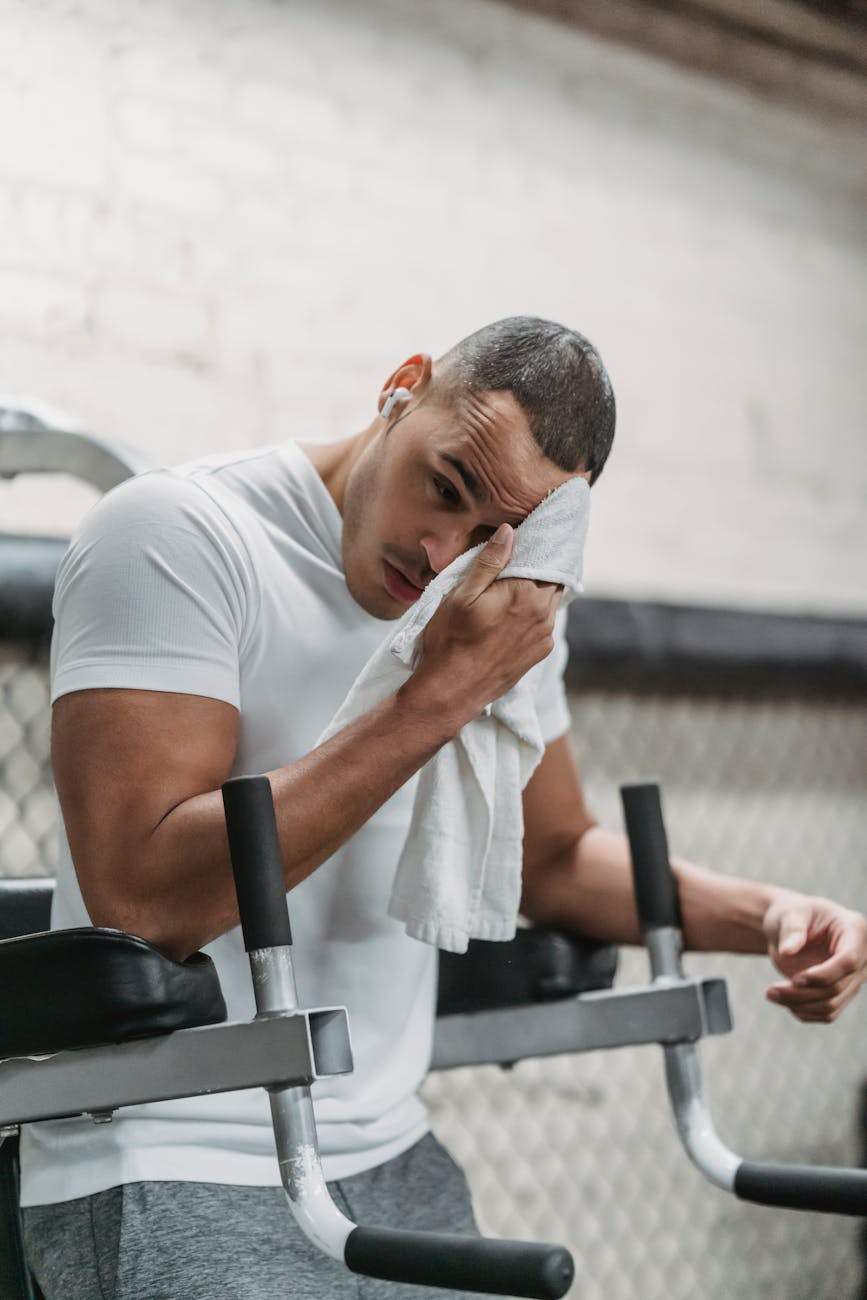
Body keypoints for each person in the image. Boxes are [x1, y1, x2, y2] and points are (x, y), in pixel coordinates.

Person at [20, 317, 867, 1299]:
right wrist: (434, 699)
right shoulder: (179, 533)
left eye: (489, 534)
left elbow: (554, 858)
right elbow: (143, 899)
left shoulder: (494, 605)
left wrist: (772, 917)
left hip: (390, 1149)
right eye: (447, 484)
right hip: (171, 1148)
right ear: (402, 386)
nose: (440, 551)